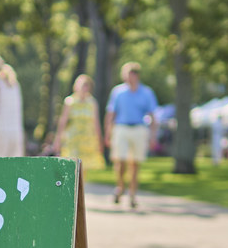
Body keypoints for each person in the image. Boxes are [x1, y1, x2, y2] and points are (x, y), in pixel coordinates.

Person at [104, 62, 158, 209]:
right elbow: (111, 114)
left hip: (139, 128)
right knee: (120, 161)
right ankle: (120, 187)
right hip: (121, 127)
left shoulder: (147, 92)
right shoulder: (118, 92)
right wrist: (108, 133)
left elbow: (153, 115)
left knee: (135, 163)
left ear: (137, 75)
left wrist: (153, 136)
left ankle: (133, 194)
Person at [53, 74, 103, 173]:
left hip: (87, 139)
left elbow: (96, 122)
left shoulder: (92, 102)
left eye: (86, 85)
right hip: (73, 139)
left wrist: (99, 140)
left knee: (84, 168)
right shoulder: (70, 101)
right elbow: (63, 121)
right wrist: (58, 139)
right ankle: (73, 187)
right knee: (72, 166)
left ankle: (81, 188)